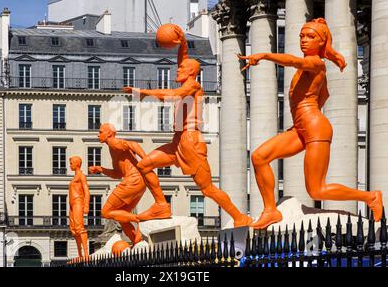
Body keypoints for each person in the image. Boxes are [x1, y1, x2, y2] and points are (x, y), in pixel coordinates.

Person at [238, 18, 383, 229]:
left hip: (315, 129)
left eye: (311, 37)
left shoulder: (315, 63)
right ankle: (270, 210)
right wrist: (301, 120)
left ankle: (370, 197)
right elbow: (324, 95)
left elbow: (291, 61)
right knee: (259, 157)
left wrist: (265, 55)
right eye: (302, 36)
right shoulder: (312, 68)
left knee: (316, 190)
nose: (304, 40)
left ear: (321, 42)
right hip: (302, 128)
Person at [124, 24, 252, 227]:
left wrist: (144, 92)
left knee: (208, 189)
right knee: (144, 165)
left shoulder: (193, 85)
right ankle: (161, 205)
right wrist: (182, 40)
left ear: (191, 72)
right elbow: (183, 58)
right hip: (178, 141)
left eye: (182, 68)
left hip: (191, 141)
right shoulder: (187, 76)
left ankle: (239, 217)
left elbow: (174, 95)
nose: (178, 68)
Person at [89, 123, 147, 245]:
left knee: (106, 212)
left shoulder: (113, 142)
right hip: (139, 182)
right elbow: (117, 174)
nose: (98, 134)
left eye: (100, 132)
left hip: (132, 181)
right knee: (122, 218)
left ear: (109, 133)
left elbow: (133, 144)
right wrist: (101, 169)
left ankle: (142, 219)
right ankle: (136, 243)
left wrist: (147, 160)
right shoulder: (112, 148)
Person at [68, 156, 90, 260]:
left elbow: (86, 191)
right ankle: (80, 255)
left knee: (80, 228)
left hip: (78, 202)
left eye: (71, 163)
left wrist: (86, 205)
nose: (70, 165)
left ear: (77, 164)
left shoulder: (81, 176)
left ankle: (86, 254)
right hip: (72, 205)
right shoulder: (74, 177)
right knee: (74, 230)